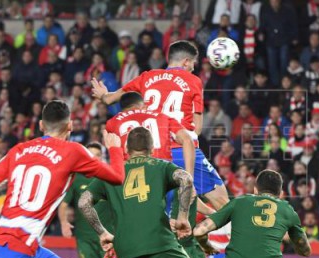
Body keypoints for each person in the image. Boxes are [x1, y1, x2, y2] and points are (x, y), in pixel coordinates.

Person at [0, 100, 125, 258]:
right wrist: (115, 148)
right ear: (70, 126)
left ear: (41, 125)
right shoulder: (73, 151)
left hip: (24, 243)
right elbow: (118, 177)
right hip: (15, 248)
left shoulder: (18, 150)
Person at [91, 40, 230, 210]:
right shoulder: (194, 81)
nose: (193, 67)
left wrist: (103, 94)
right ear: (186, 61)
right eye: (193, 62)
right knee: (222, 202)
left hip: (155, 152)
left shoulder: (146, 77)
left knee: (165, 209)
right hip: (182, 148)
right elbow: (197, 128)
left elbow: (110, 99)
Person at [78, 127, 207, 258]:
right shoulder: (161, 166)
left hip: (127, 252)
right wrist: (182, 217)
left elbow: (83, 202)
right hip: (159, 244)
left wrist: (102, 233)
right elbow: (186, 179)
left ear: (126, 149)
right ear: (152, 149)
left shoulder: (110, 173)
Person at [193, 169, 311, 258]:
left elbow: (199, 231)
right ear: (280, 193)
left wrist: (207, 246)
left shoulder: (239, 202)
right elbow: (305, 250)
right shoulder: (287, 209)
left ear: (255, 189)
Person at [57, 142, 123, 258]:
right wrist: (64, 223)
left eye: (98, 155)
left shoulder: (111, 177)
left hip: (110, 235)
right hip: (85, 238)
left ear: (103, 157)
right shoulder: (76, 178)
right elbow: (63, 204)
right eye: (91, 155)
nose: (95, 158)